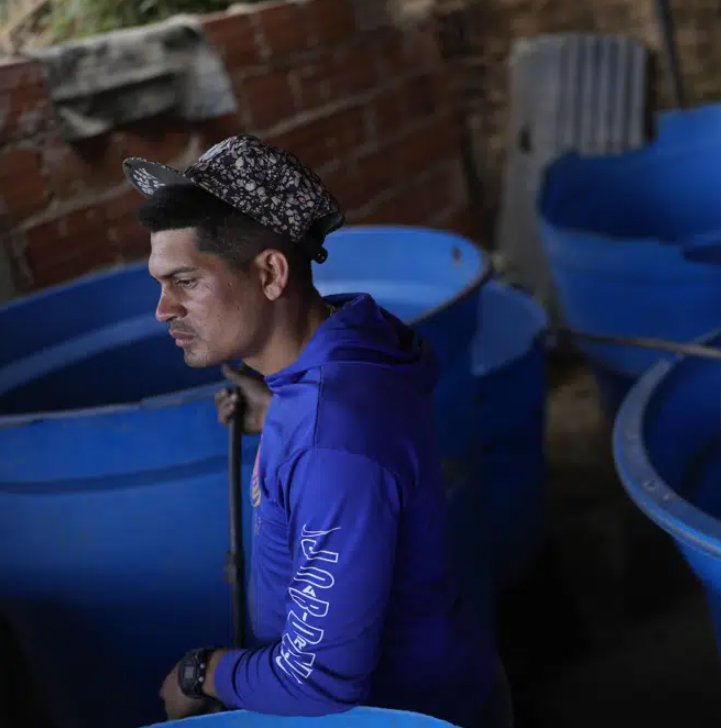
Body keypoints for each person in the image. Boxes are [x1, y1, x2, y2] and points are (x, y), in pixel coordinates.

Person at [122, 135, 510, 728]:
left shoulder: (333, 442)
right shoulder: (349, 355)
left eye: (186, 281)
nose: (163, 309)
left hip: (405, 712)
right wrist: (281, 416)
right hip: (449, 668)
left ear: (271, 272)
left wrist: (202, 672)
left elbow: (319, 683)